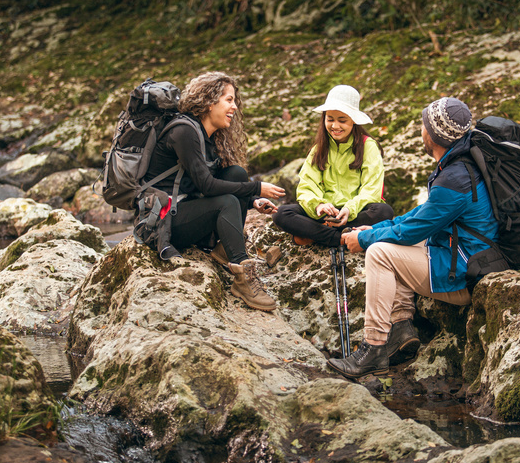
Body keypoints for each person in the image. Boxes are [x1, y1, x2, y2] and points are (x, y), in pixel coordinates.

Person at [326, 97, 499, 379]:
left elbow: (413, 231)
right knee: (389, 240)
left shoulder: (455, 179)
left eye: (424, 125)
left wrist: (367, 240)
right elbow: (423, 216)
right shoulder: (462, 163)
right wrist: (377, 229)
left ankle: (373, 349)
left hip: (468, 274)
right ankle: (401, 326)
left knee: (380, 253)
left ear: (434, 135)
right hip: (471, 256)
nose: (421, 130)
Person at [143, 71, 285, 312]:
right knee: (227, 201)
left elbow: (215, 183)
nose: (235, 107)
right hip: (163, 222)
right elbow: (207, 186)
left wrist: (253, 200)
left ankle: (225, 249)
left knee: (237, 173)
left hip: (186, 210)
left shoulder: (206, 135)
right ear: (209, 102)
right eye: (229, 100)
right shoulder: (184, 132)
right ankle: (242, 279)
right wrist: (257, 187)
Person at [272, 85, 394, 248]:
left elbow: (372, 189)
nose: (335, 126)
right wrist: (319, 205)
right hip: (325, 214)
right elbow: (307, 186)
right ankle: (341, 238)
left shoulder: (368, 146)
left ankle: (316, 235)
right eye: (330, 119)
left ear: (354, 120)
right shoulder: (318, 149)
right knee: (281, 214)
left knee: (384, 212)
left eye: (342, 120)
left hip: (354, 212)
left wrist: (350, 209)